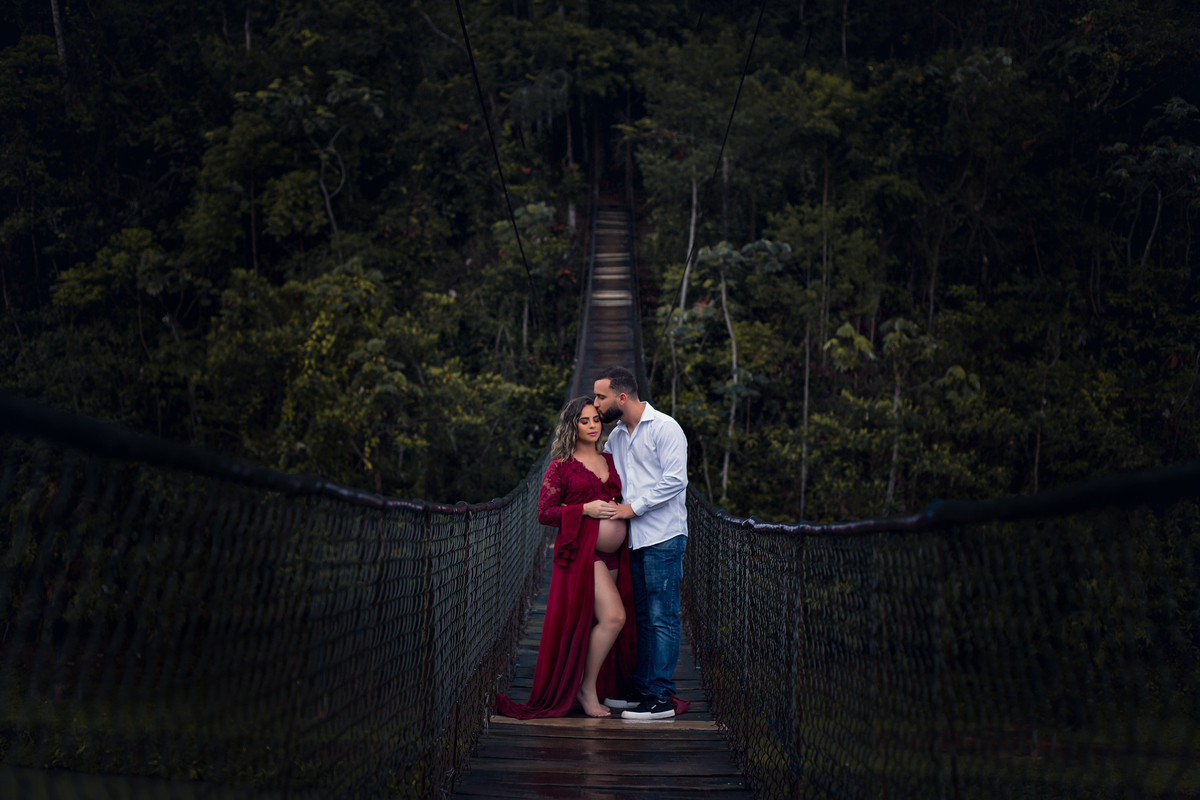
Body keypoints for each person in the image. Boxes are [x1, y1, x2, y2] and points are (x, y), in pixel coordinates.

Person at [494, 397, 638, 718]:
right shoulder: (560, 465)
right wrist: (584, 509)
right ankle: (586, 691)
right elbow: (544, 512)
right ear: (572, 426)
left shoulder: (610, 459)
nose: (591, 426)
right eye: (584, 421)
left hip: (615, 556)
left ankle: (590, 687)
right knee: (614, 617)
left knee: (597, 622)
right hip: (583, 553)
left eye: (595, 420)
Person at [593, 366, 690, 720]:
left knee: (664, 616)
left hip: (664, 535)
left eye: (601, 397)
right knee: (646, 618)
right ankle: (646, 689)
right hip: (635, 540)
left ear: (622, 397)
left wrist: (632, 509)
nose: (597, 404)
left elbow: (675, 481)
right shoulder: (616, 437)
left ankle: (662, 697)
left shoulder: (665, 428)